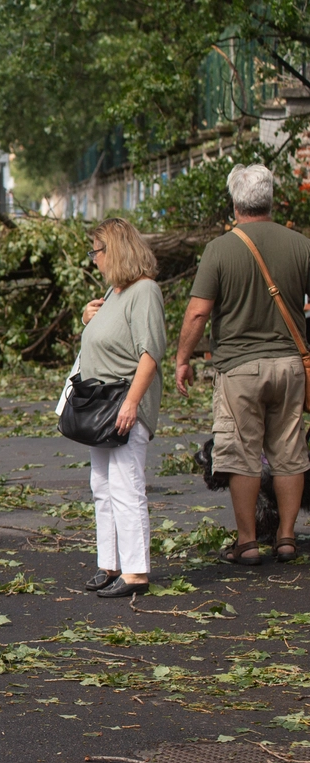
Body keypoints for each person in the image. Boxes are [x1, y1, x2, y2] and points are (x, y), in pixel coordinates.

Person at [176, 164, 310, 565]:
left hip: (238, 369)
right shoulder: (301, 245)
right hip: (290, 366)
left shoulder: (220, 249)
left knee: (242, 455)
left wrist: (183, 358)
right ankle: (287, 538)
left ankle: (248, 542)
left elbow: (198, 313)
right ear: (270, 198)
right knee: (289, 450)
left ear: (235, 202)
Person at [77, 218, 166, 597]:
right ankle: (109, 562)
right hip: (100, 403)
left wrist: (131, 402)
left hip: (124, 402)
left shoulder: (144, 290)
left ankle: (135, 572)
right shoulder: (115, 291)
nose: (93, 259)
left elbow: (151, 352)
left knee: (126, 484)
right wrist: (86, 319)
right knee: (102, 484)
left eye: (96, 251)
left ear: (114, 249)